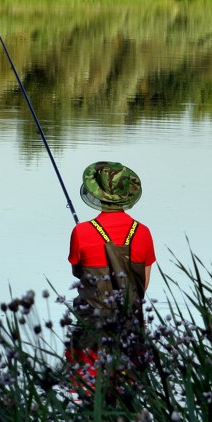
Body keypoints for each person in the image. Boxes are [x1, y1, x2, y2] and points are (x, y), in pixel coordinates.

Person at [65, 161, 156, 395]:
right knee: (127, 397)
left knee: (89, 397)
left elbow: (78, 272)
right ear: (127, 194)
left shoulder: (81, 231)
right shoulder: (143, 232)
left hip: (90, 329)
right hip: (131, 327)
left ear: (97, 194)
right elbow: (142, 285)